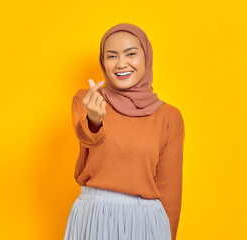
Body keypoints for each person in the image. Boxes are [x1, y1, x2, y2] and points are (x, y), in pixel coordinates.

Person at [64, 23, 185, 240]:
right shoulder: (89, 100)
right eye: (112, 56)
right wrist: (94, 119)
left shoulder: (169, 117)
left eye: (131, 54)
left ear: (146, 57)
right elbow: (86, 137)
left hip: (146, 221)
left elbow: (170, 191)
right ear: (103, 62)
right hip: (94, 217)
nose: (121, 64)